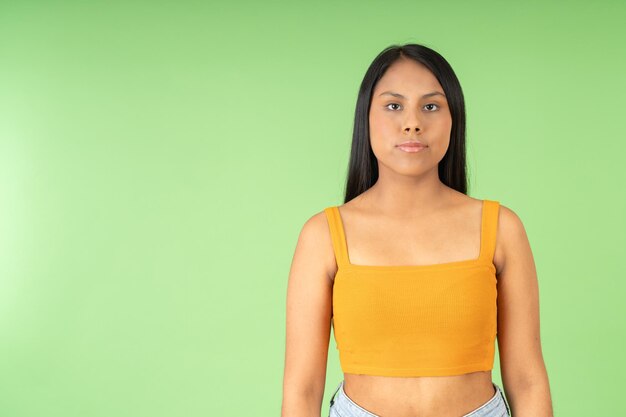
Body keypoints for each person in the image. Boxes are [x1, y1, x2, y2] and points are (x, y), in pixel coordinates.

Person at [281, 43, 553, 417]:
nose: (413, 122)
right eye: (394, 105)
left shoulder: (502, 228)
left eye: (431, 106)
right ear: (366, 118)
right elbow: (301, 389)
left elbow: (527, 379)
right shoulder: (323, 235)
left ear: (453, 118)